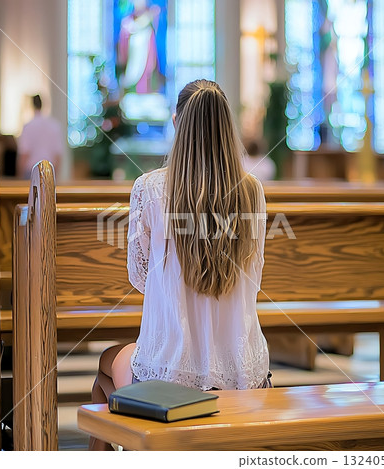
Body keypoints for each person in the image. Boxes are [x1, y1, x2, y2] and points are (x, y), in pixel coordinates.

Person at [90, 80, 271, 450]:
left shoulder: (150, 188)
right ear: (227, 128)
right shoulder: (252, 191)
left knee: (106, 365)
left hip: (167, 377)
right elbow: (255, 275)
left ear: (177, 123)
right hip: (245, 374)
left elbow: (140, 278)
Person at [17, 95, 64, 179]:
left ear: (32, 105)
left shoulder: (28, 126)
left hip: (31, 172)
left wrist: (19, 176)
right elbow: (58, 154)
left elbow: (24, 153)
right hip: (49, 170)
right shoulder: (54, 125)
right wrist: (55, 175)